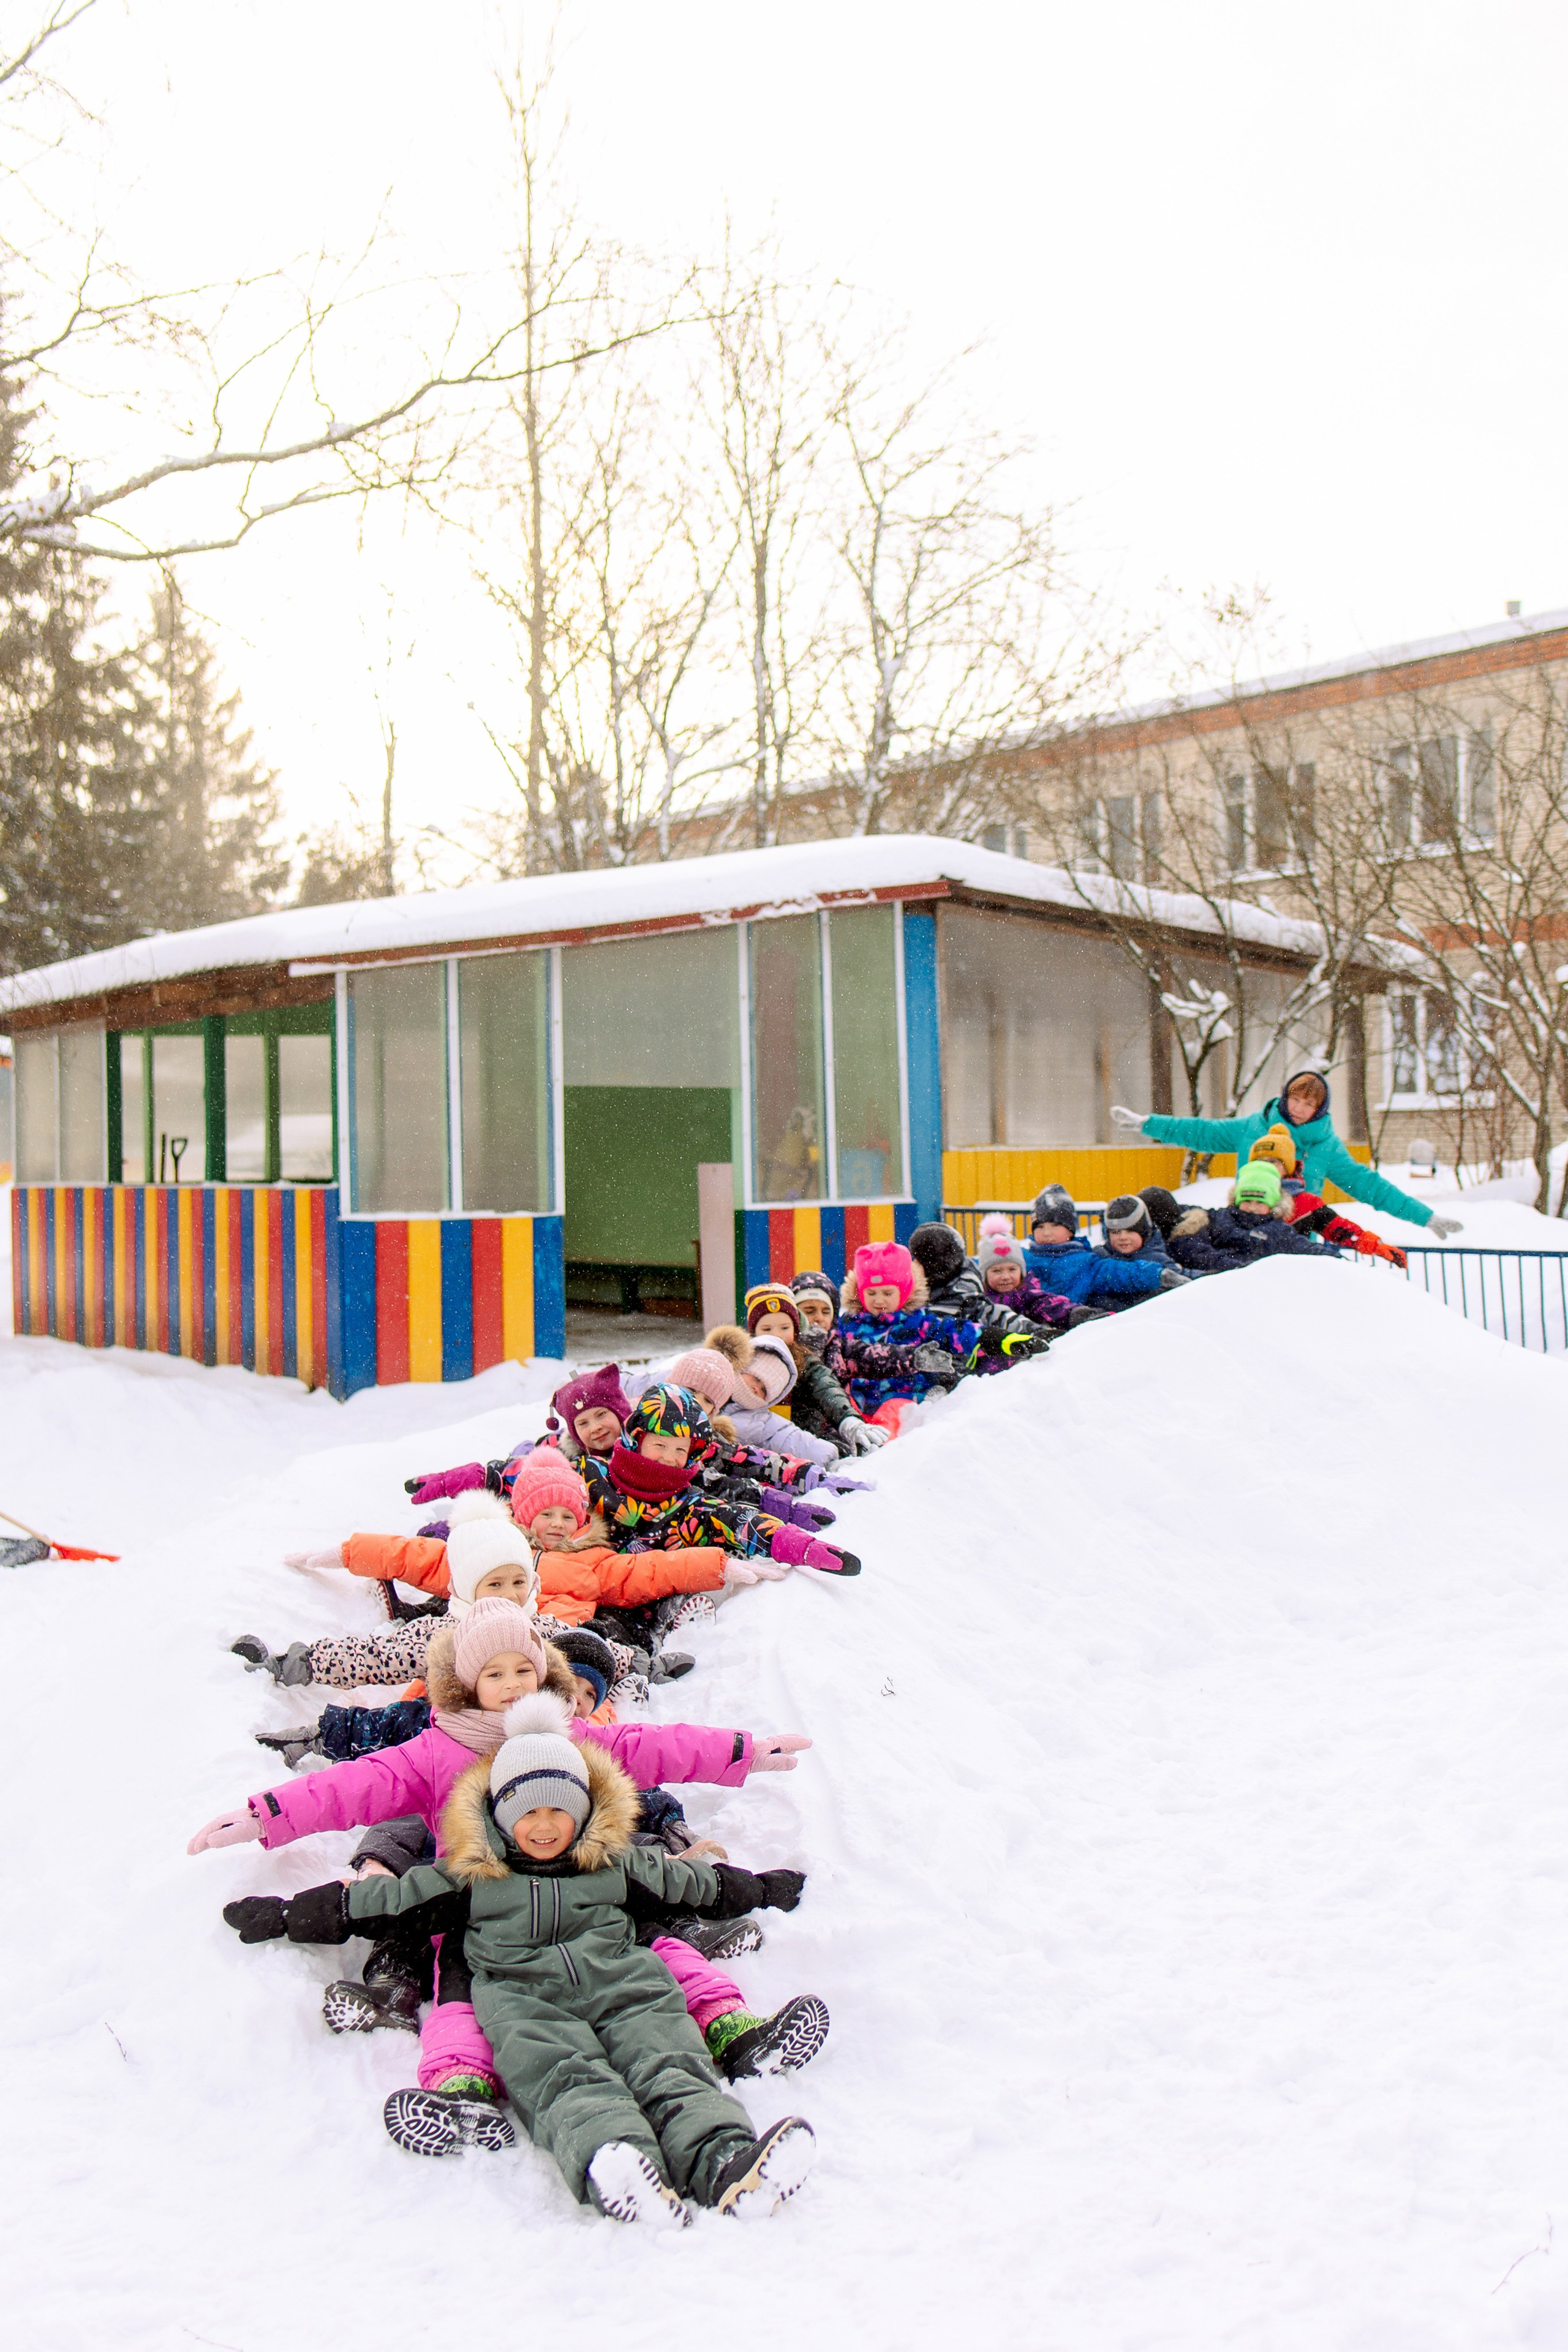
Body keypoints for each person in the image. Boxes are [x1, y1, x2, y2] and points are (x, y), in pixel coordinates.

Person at [194, 1600, 825, 2155]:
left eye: (524, 1670)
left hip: (583, 1889)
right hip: (482, 1902)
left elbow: (654, 1745)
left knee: (658, 1951)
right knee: (460, 1988)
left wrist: (743, 1752)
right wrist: (261, 1816)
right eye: (494, 1674)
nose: (512, 1684)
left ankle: (737, 2034)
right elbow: (350, 1787)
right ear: (467, 1683)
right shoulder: (434, 1749)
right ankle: (460, 2091)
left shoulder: (569, 1736)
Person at [1112, 1069, 1463, 1236]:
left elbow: (1370, 1186)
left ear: (1320, 1110)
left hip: (1294, 1238)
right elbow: (1202, 1131)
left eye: (1308, 1104)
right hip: (1243, 1227)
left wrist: (1425, 1217)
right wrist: (1148, 1124)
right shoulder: (1254, 1127)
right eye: (1294, 1098)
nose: (1298, 1108)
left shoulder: (1326, 1146)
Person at [835, 1240, 988, 1432]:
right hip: (860, 1404)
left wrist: (994, 1339)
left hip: (904, 1402)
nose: (879, 1300)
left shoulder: (921, 1323)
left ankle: (881, 1451)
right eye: (871, 1293)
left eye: (888, 1293)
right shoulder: (849, 1324)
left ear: (905, 1289)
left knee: (892, 1415)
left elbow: (959, 1333)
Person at [742, 1281, 885, 1454]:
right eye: (767, 1329)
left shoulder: (803, 1360)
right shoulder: (743, 1362)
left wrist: (848, 1420)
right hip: (753, 1441)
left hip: (802, 1439)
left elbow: (826, 1387)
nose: (777, 1335)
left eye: (785, 1328)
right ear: (753, 1332)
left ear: (795, 1330)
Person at [1246, 1125, 1408, 1265]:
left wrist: (1373, 1245)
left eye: (1273, 1162)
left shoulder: (1305, 1204)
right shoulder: (1244, 1198)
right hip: (1251, 1277)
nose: (1266, 1167)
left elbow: (1338, 1228)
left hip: (1295, 1275)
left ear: (1288, 1166)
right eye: (1259, 1162)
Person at [1022, 1185, 1188, 1309]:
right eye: (1040, 1227)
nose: (1047, 1233)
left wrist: (1158, 1275)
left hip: (1069, 1323)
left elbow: (1121, 1272)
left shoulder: (1087, 1262)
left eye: (1055, 1226)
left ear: (1070, 1230)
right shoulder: (1022, 1259)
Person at [1166, 1159, 1337, 1274]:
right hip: (1213, 1283)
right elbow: (1188, 1248)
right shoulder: (1216, 1219)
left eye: (1260, 1203)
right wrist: (1235, 1268)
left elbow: (1311, 1251)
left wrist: (1341, 1263)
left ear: (1272, 1205)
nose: (1252, 1208)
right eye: (1246, 1201)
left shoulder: (1279, 1233)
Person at [907, 1223, 1045, 1354]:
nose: (914, 1265)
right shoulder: (907, 1293)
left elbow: (994, 1315)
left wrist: (1033, 1331)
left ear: (935, 1267)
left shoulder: (964, 1297)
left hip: (953, 1365)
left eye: (918, 1260)